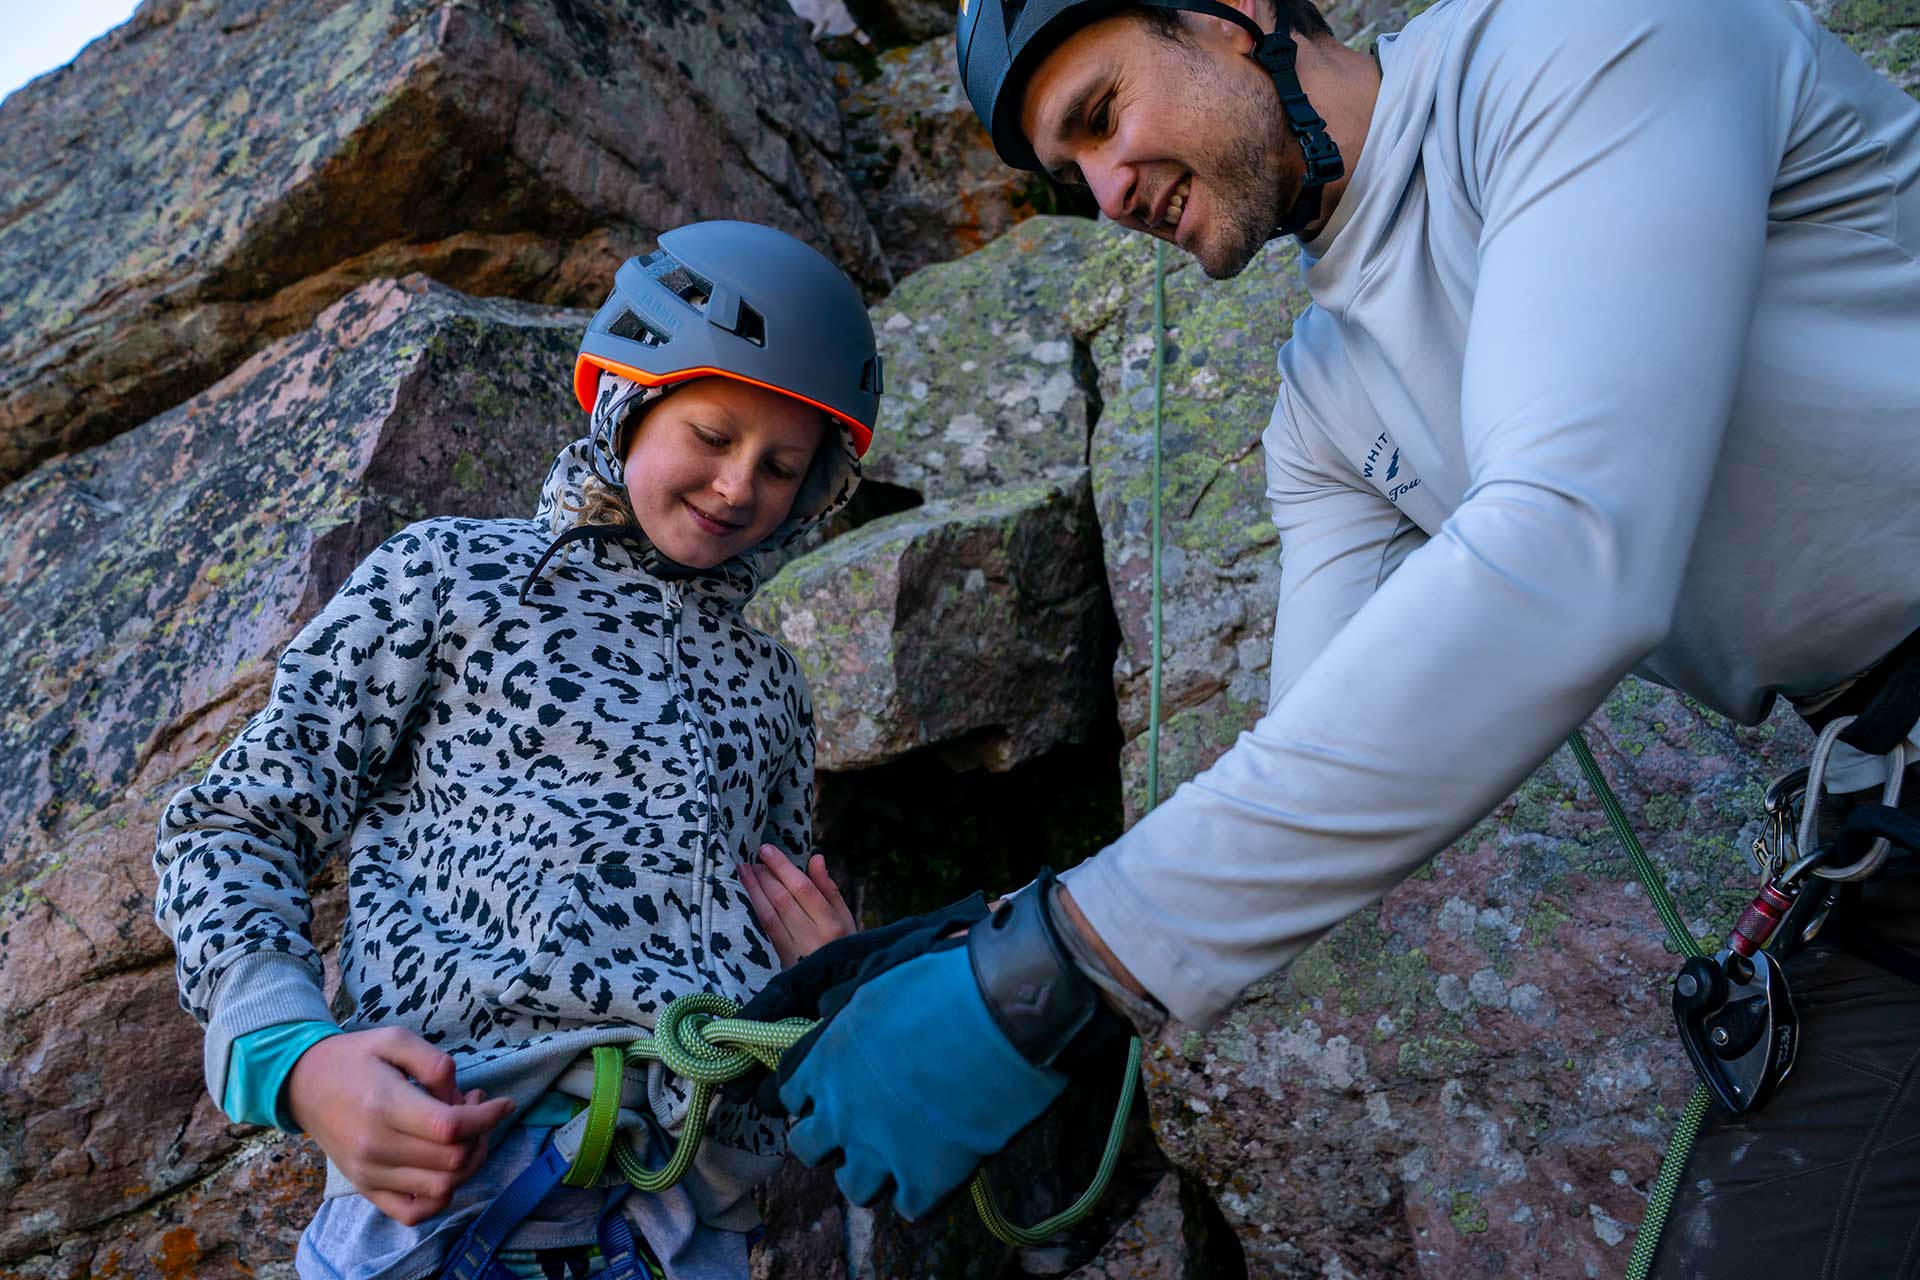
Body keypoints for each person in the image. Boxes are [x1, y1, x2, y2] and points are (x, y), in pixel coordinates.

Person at [748, 0, 1920, 1272]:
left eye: (1101, 114)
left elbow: (1571, 545)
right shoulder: (1323, 403)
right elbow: (1309, 742)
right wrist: (994, 935)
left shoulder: (1590, 38)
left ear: (1232, 15)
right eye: (1066, 173)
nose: (1104, 191)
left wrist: (1062, 963)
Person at [152, 220, 886, 1279]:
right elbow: (237, 819)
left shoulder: (773, 683)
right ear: (630, 396)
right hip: (445, 1202)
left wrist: (826, 985)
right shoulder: (451, 576)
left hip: (685, 1226)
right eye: (715, 435)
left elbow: (762, 932)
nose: (738, 487)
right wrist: (292, 1057)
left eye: (781, 467)